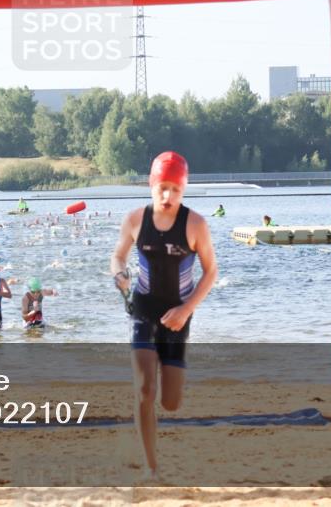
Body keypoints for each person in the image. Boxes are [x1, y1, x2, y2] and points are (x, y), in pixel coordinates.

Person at [110, 150, 217, 480]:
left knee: (170, 402)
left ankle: (165, 383)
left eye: (176, 190)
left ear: (184, 189)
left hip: (178, 315)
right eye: (163, 188)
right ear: (151, 185)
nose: (169, 197)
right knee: (145, 390)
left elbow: (211, 272)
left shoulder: (195, 224)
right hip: (143, 309)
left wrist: (186, 310)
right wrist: (120, 275)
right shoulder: (135, 220)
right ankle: (150, 467)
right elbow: (117, 256)